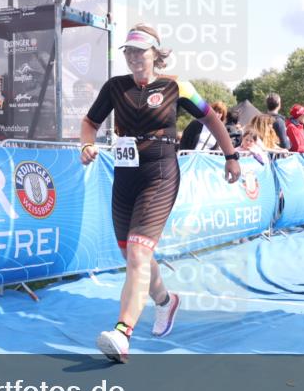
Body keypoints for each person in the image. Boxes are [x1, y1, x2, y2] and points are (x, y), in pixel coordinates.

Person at [80, 24, 240, 363]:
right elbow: (89, 123)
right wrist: (86, 145)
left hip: (161, 174)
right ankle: (166, 301)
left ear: (156, 54)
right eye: (129, 51)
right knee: (133, 254)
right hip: (124, 176)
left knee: (138, 253)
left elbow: (211, 119)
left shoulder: (176, 85)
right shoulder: (114, 87)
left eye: (140, 51)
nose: (134, 57)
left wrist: (231, 156)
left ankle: (122, 333)